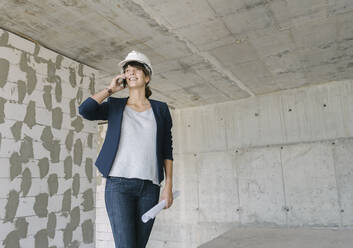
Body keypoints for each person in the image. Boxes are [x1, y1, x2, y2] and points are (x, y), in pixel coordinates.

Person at [78, 50, 174, 248]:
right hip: (118, 186)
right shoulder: (115, 106)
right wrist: (110, 90)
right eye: (127, 70)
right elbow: (85, 110)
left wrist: (168, 186)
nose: (130, 73)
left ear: (147, 76)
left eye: (136, 69)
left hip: (150, 187)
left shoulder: (161, 109)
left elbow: (167, 148)